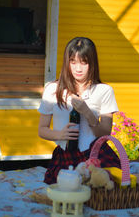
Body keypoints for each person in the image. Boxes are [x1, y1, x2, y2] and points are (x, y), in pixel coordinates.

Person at [38, 37, 121, 184]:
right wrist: (60, 134)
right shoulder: (52, 89)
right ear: (67, 62)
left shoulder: (104, 90)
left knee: (109, 187)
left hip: (96, 155)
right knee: (64, 193)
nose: (78, 68)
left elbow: (105, 133)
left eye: (84, 62)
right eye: (73, 62)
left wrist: (88, 113)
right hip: (65, 156)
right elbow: (42, 130)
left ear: (92, 63)